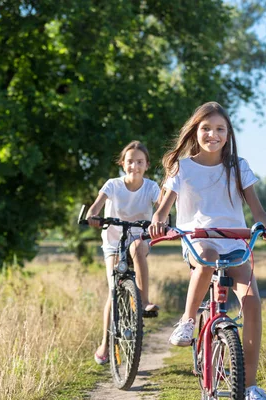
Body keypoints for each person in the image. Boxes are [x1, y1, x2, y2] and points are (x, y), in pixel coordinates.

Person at [149, 101, 266, 400]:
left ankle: (249, 386)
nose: (213, 134)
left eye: (220, 129)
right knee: (207, 257)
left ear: (229, 133)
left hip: (235, 241)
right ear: (195, 131)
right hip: (198, 240)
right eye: (206, 128)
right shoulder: (182, 167)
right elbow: (163, 210)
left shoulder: (238, 166)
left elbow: (258, 211)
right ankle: (186, 321)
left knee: (251, 302)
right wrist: (158, 222)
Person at [86, 140, 160, 365]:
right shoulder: (113, 185)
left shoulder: (151, 187)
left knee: (137, 247)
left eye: (139, 162)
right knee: (112, 289)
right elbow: (95, 206)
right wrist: (92, 216)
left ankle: (144, 299)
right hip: (113, 241)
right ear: (122, 163)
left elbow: (162, 206)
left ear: (147, 165)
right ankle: (105, 343)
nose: (134, 166)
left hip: (139, 237)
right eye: (130, 162)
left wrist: (162, 222)